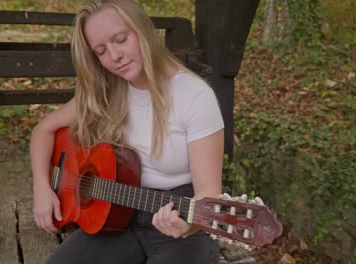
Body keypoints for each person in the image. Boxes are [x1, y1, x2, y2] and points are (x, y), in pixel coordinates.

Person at [30, 0, 224, 263]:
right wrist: (42, 187)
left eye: (120, 39)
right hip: (115, 215)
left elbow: (209, 194)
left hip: (178, 220)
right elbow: (43, 130)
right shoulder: (108, 90)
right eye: (101, 50)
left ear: (142, 30)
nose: (114, 56)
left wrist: (187, 225)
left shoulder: (195, 96)